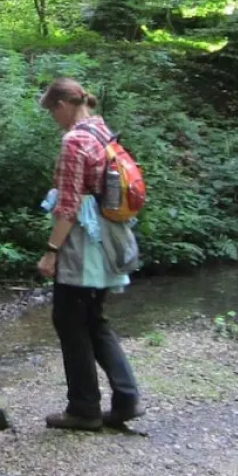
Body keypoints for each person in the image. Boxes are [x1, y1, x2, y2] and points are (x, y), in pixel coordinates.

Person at [37, 77, 142, 430]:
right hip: (110, 237)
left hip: (84, 244)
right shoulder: (102, 132)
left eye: (52, 112)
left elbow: (67, 207)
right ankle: (126, 399)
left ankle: (84, 408)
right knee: (93, 319)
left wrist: (51, 251)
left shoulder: (75, 139)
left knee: (69, 320)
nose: (54, 119)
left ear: (62, 105)